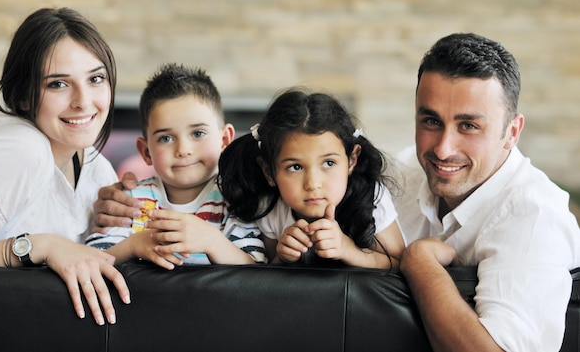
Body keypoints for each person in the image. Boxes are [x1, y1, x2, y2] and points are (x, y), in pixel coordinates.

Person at [394, 32, 580, 351]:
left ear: (512, 132)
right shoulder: (401, 171)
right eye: (431, 121)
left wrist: (420, 262)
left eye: (468, 126)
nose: (443, 148)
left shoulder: (535, 216)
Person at [0, 7, 130, 326]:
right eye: (58, 85)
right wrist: (38, 245)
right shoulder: (21, 149)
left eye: (96, 78)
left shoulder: (95, 167)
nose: (83, 101)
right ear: (23, 97)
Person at [86, 63, 267, 267]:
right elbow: (92, 261)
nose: (183, 149)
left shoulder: (235, 199)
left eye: (198, 134)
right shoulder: (131, 202)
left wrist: (211, 241)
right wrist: (133, 245)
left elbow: (254, 267)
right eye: (165, 138)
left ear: (224, 140)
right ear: (146, 152)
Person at [218, 89, 404, 268]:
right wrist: (282, 259)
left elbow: (398, 263)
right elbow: (268, 275)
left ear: (351, 160)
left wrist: (348, 249)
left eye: (329, 163)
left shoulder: (372, 199)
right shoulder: (271, 207)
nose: (313, 184)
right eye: (295, 167)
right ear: (269, 172)